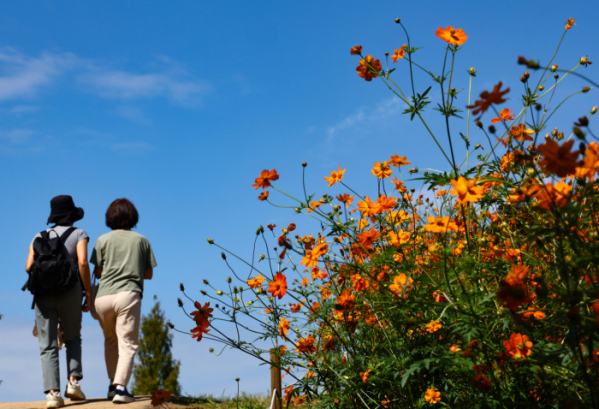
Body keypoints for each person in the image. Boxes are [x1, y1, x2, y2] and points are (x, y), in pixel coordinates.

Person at [25, 195, 92, 409]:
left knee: (48, 345)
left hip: (43, 295)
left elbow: (28, 267)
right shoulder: (79, 233)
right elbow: (82, 262)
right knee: (73, 337)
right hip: (69, 291)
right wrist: (88, 293)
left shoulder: (39, 236)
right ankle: (73, 383)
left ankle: (52, 394)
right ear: (72, 215)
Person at [91, 198, 157, 404]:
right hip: (127, 295)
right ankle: (121, 389)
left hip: (102, 297)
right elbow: (148, 274)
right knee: (128, 344)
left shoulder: (102, 240)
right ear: (133, 217)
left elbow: (98, 272)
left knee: (111, 342)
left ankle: (112, 385)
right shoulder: (142, 240)